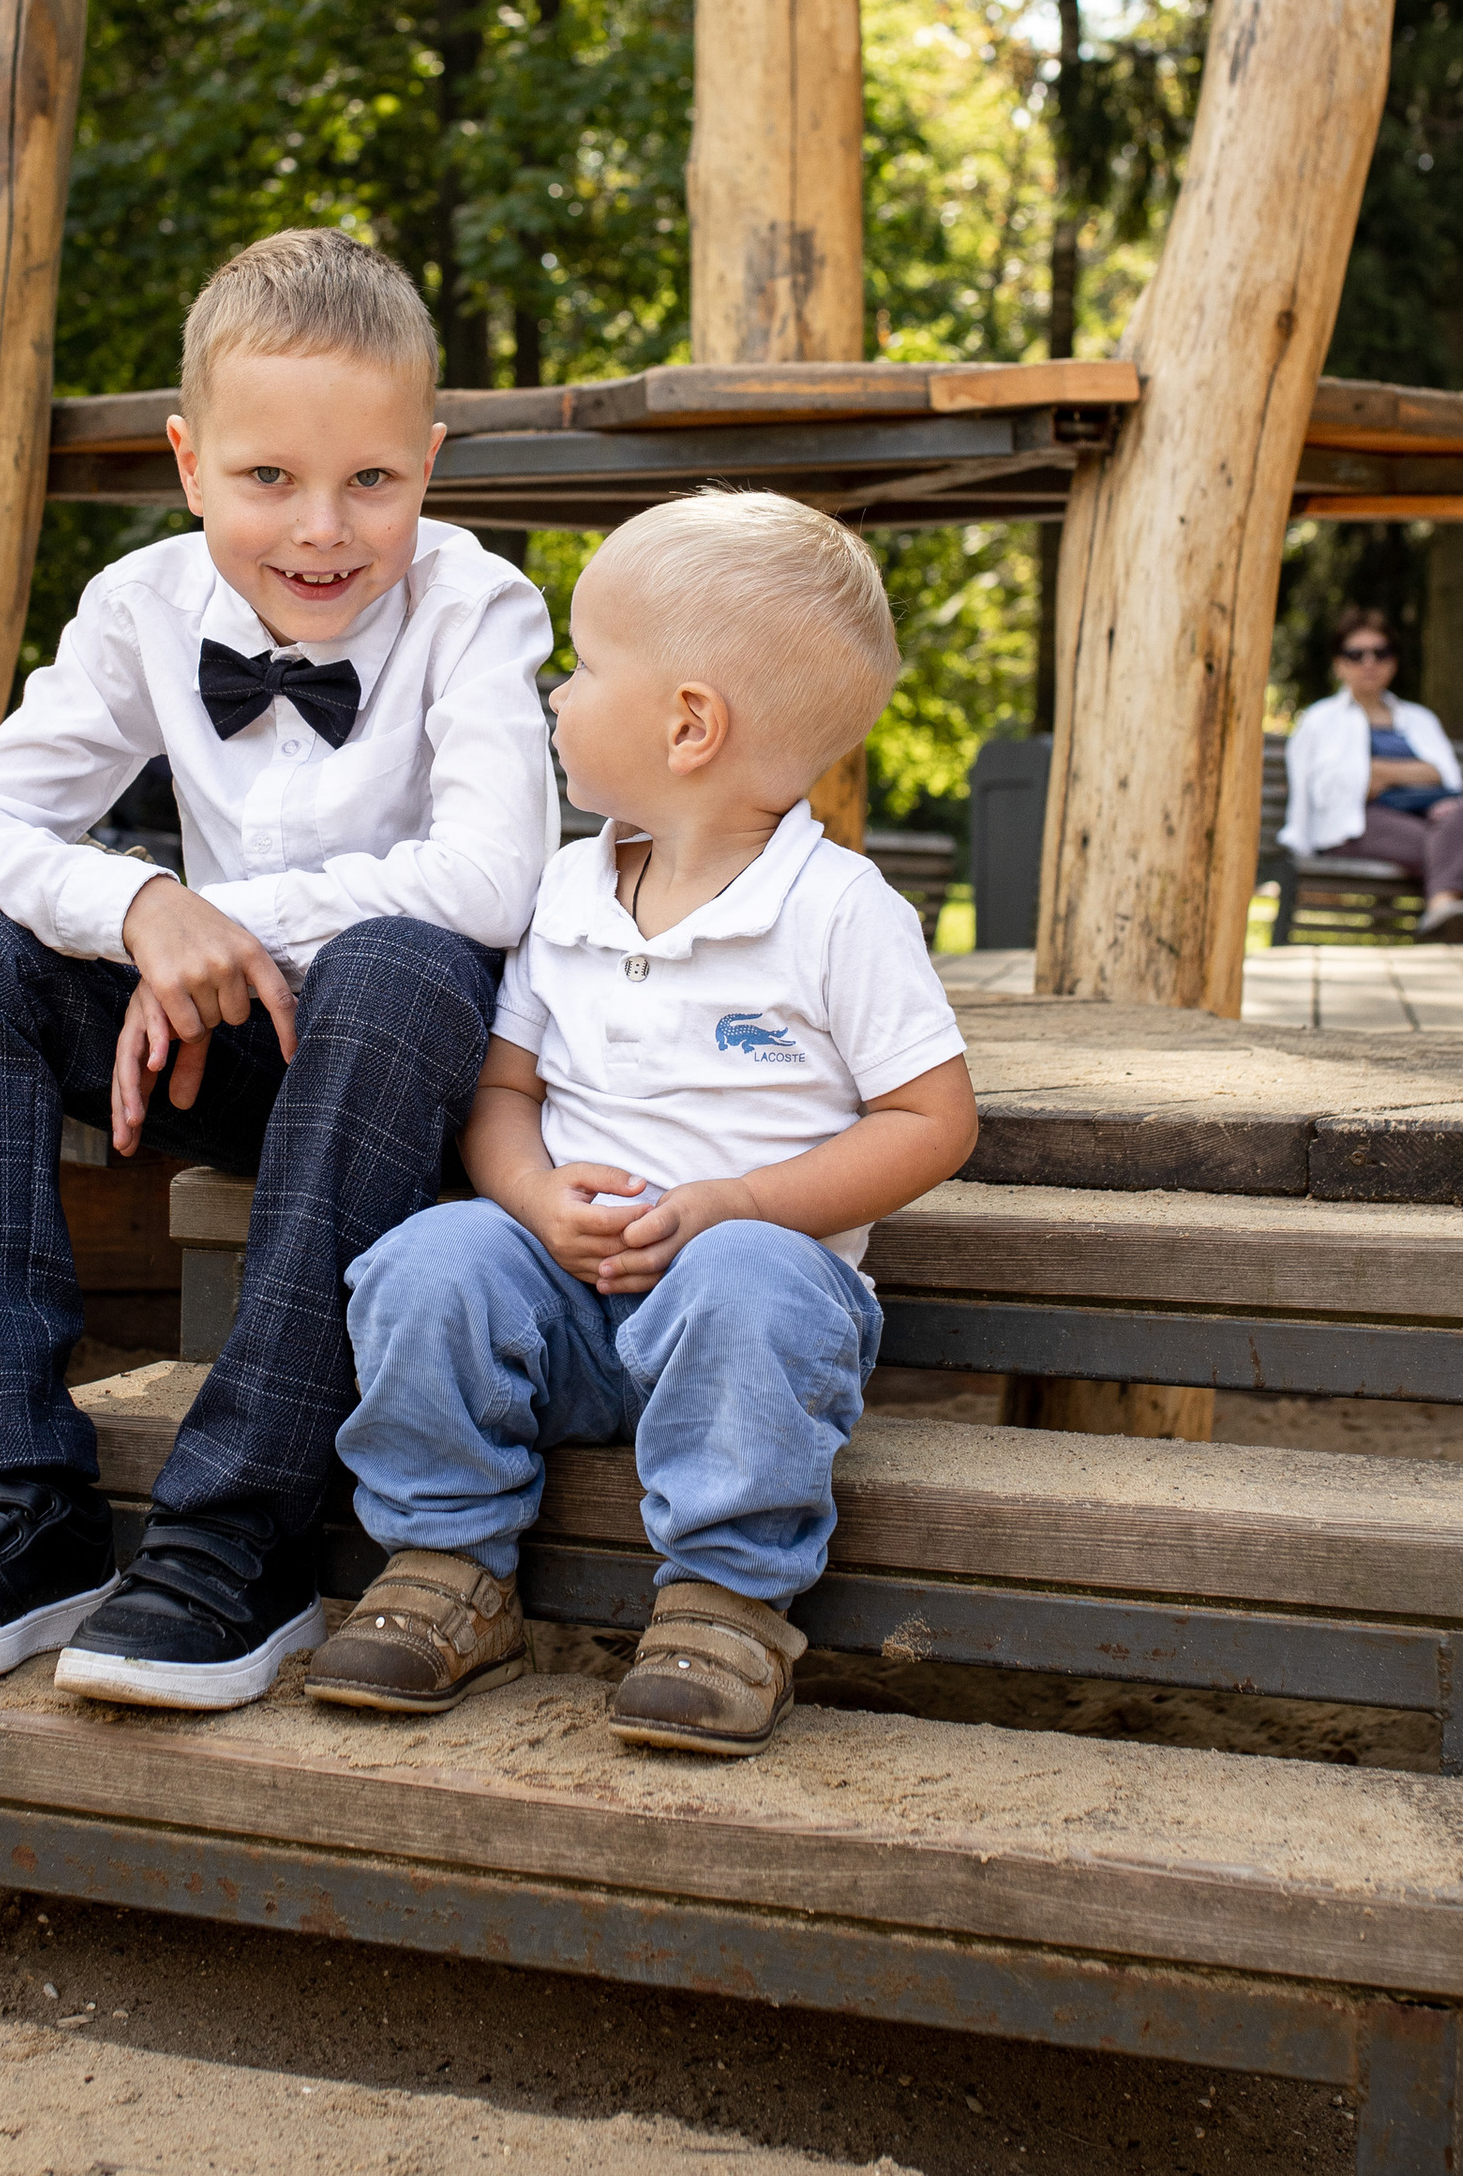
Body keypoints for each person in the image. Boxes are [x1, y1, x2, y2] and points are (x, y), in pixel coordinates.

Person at [0, 229, 556, 1708]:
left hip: (413, 1077)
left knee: (404, 961)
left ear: (431, 458)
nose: (323, 529)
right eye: (267, 478)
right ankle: (20, 1487)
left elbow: (492, 880)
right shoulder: (144, 606)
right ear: (187, 458)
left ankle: (244, 1524)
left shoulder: (478, 605)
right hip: (225, 1045)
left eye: (374, 481)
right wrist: (147, 903)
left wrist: (238, 921)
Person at [300, 493, 979, 1761]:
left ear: (688, 724)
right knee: (423, 1261)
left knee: (749, 1285)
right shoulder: (566, 887)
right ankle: (449, 1564)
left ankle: (725, 1603)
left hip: (741, 1323)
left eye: (584, 665)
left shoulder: (836, 912)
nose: (556, 694)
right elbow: (504, 1093)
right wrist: (529, 1197)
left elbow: (932, 1119)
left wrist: (738, 1206)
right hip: (559, 1299)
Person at [1280, 612, 1463, 941]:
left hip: (1429, 818)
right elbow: (1323, 791)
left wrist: (1380, 772)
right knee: (1450, 847)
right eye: (1356, 654)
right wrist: (1406, 774)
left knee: (1460, 814)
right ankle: (1447, 913)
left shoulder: (1419, 719)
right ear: (1338, 664)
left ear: (1393, 661)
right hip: (1355, 824)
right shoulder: (1321, 720)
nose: (1369, 662)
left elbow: (1445, 778)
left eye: (1381, 653)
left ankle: (1441, 909)